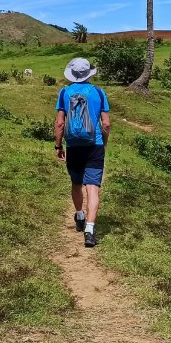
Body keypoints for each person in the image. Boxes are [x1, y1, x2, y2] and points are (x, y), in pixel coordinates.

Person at [54, 57, 110, 248]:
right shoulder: (99, 93)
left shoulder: (64, 92)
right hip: (94, 145)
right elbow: (107, 124)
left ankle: (79, 215)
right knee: (92, 188)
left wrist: (58, 146)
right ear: (88, 74)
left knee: (76, 183)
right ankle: (90, 230)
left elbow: (60, 123)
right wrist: (104, 143)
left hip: (73, 145)